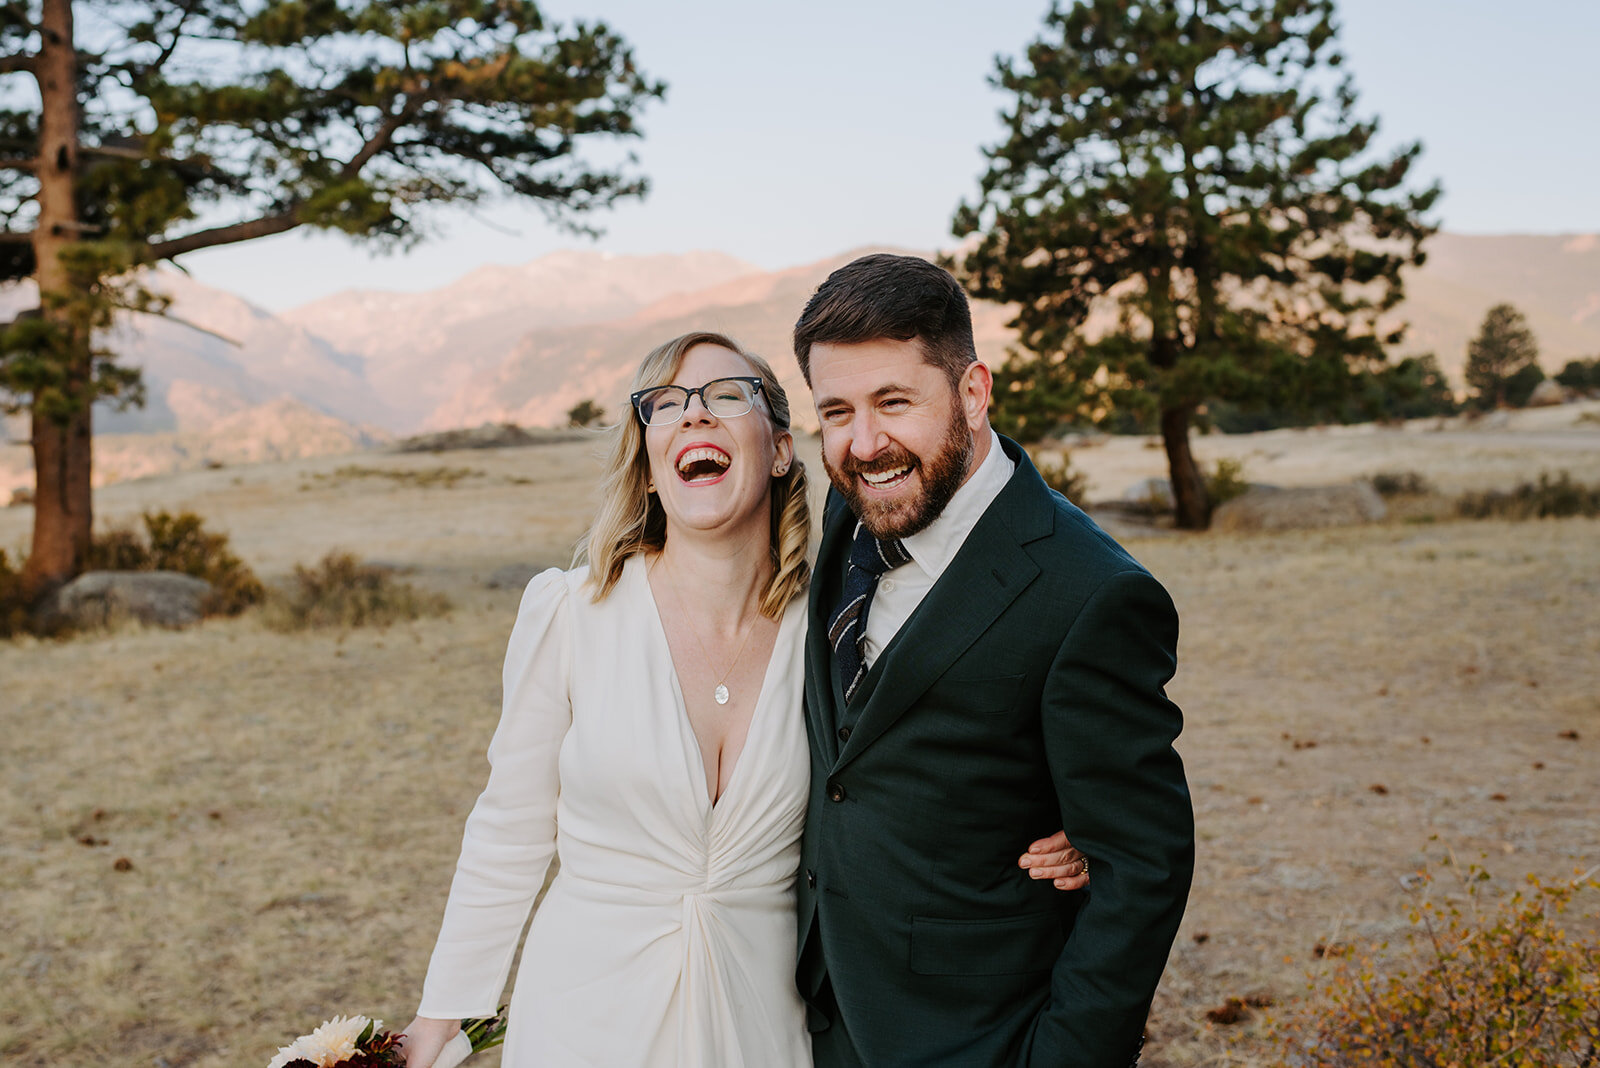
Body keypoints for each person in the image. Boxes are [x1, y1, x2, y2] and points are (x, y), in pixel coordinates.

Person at [400, 330, 1086, 1068]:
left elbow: (924, 758)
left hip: (769, 1020)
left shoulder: (838, 629)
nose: (694, 416)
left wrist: (1065, 820)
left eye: (728, 396)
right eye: (664, 404)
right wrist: (443, 1014)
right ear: (651, 465)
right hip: (584, 1016)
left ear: (783, 448)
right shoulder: (570, 615)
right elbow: (509, 829)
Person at [792, 254, 1196, 1067]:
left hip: (979, 1034)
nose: (864, 443)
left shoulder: (1091, 593)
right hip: (825, 1014)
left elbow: (1142, 864)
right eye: (836, 411)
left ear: (973, 393)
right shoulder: (852, 501)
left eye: (894, 402)